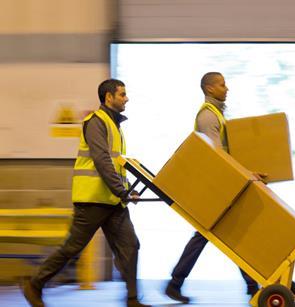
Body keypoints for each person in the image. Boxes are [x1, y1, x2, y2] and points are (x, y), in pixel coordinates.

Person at [22, 79, 149, 307]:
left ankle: (132, 299)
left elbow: (117, 163)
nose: (126, 98)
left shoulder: (115, 126)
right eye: (122, 94)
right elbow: (101, 161)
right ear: (108, 97)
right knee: (73, 247)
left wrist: (129, 190)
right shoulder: (95, 122)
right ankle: (34, 285)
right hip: (92, 200)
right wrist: (122, 191)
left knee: (130, 246)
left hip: (112, 201)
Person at [164, 72, 260, 303]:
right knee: (210, 234)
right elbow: (217, 157)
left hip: (222, 186)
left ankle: (251, 284)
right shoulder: (208, 116)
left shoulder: (217, 114)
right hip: (215, 188)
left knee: (224, 234)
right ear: (209, 89)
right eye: (221, 84)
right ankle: (175, 283)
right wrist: (246, 175)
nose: (226, 88)